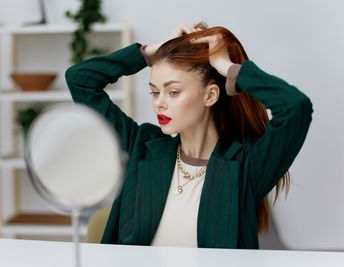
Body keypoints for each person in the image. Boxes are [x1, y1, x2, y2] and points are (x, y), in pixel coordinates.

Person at [65, 23, 313, 249]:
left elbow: (295, 107)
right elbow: (80, 80)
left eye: (173, 92)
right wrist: (148, 54)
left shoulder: (244, 167)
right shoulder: (143, 145)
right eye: (154, 92)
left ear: (210, 95)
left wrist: (228, 69)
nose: (159, 104)